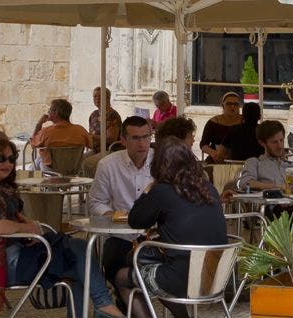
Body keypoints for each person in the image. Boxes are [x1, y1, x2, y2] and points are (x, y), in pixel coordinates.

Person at [0, 134, 124, 318]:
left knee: (81, 265)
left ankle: (102, 306)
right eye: (0, 158)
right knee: (79, 250)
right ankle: (104, 305)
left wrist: (26, 221)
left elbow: (13, 215)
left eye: (12, 158)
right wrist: (27, 229)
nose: (8, 164)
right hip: (10, 263)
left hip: (23, 252)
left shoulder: (1, 188)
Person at [117, 138, 227, 318]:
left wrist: (147, 190)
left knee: (122, 277)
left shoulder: (162, 190)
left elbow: (135, 220)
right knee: (156, 269)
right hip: (214, 278)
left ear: (159, 165)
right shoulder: (209, 188)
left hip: (180, 279)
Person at [88, 116, 154, 287]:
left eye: (146, 137)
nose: (142, 143)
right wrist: (113, 214)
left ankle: (134, 305)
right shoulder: (108, 165)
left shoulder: (161, 162)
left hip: (155, 235)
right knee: (113, 266)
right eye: (135, 138)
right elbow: (95, 202)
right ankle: (128, 304)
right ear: (123, 140)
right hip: (122, 235)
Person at [235, 121, 293, 193]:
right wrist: (277, 187)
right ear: (262, 143)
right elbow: (245, 183)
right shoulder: (254, 163)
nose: (280, 146)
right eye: (274, 142)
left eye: (281, 140)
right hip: (268, 203)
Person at [30, 98, 90, 170]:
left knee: (34, 165)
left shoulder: (46, 132)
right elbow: (91, 145)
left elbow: (33, 144)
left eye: (50, 110)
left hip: (52, 170)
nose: (48, 112)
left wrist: (39, 124)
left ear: (56, 112)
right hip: (74, 169)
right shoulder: (80, 130)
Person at [198, 92, 243, 161]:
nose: (232, 107)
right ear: (223, 106)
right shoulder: (213, 122)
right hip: (216, 159)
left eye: (236, 104)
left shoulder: (244, 121)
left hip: (239, 159)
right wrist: (213, 153)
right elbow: (203, 144)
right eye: (229, 104)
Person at [89, 87, 123, 154]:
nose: (97, 99)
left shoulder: (113, 115)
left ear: (108, 98)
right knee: (78, 159)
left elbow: (111, 139)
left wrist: (93, 137)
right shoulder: (94, 114)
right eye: (95, 96)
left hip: (109, 151)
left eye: (100, 96)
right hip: (95, 150)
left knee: (86, 163)